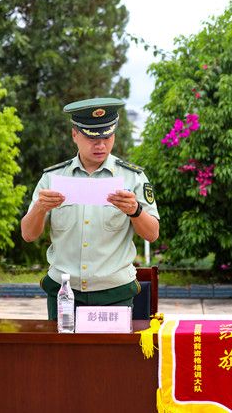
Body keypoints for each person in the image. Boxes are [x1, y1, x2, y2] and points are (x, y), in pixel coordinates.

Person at [21, 97, 160, 320]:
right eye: (92, 138)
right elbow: (28, 234)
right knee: (62, 345)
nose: (101, 145)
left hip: (115, 293)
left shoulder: (133, 177)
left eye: (107, 137)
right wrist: (39, 208)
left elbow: (152, 234)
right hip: (64, 293)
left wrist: (135, 211)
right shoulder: (53, 178)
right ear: (74, 134)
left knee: (112, 346)